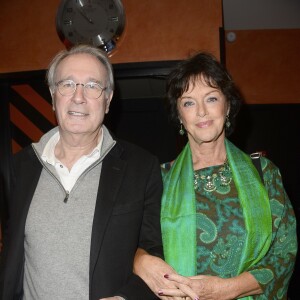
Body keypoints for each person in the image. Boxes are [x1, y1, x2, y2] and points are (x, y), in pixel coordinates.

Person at [0, 44, 163, 300]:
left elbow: (154, 251)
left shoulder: (142, 167)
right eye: (67, 84)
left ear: (108, 101)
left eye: (92, 86)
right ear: (53, 96)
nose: (78, 97)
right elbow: (12, 253)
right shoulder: (20, 166)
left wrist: (125, 298)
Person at [134, 52, 298, 300]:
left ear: (228, 105)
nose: (201, 112)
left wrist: (225, 290)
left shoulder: (264, 172)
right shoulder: (158, 179)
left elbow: (284, 254)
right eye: (188, 103)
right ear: (180, 115)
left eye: (211, 98)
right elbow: (128, 243)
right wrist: (139, 261)